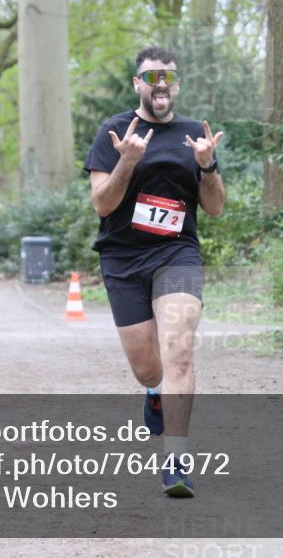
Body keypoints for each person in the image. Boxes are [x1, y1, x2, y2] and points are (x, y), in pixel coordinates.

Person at [84, 46, 225, 497]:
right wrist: (127, 159)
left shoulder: (194, 135)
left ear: (177, 85)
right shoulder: (114, 130)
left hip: (176, 255)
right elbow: (102, 205)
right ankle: (153, 393)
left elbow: (216, 208)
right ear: (138, 84)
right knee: (149, 369)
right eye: (151, 76)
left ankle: (177, 460)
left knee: (179, 350)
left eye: (168, 76)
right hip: (123, 260)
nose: (160, 83)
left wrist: (208, 166)